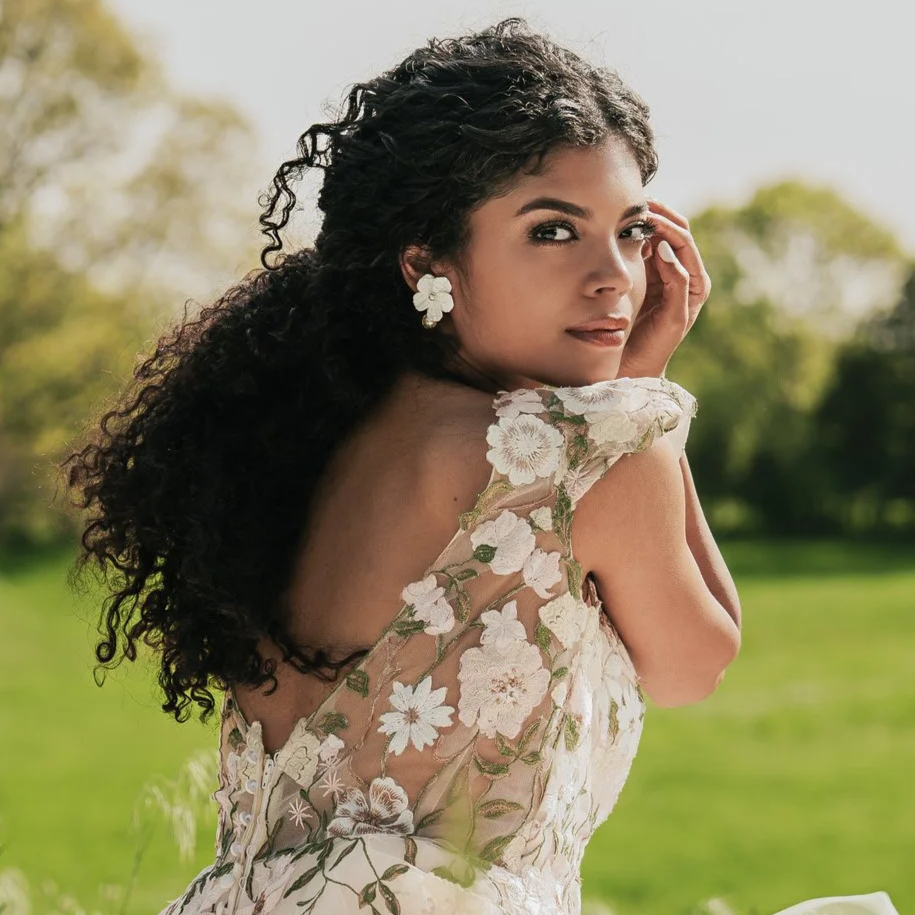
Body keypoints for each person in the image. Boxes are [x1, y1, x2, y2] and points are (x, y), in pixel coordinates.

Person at [61, 17, 900, 915]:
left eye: (629, 232)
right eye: (552, 232)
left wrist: (623, 408)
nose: (613, 275)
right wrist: (642, 402)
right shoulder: (581, 455)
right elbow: (697, 661)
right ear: (428, 263)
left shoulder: (301, 445)